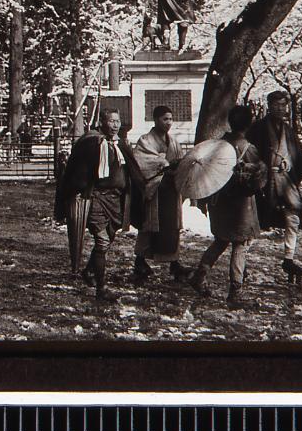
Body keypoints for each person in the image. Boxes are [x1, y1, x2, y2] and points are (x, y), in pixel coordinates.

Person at [57, 108, 145, 302]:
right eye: (111, 121)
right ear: (102, 122)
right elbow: (78, 171)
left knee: (110, 236)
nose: (115, 124)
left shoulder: (120, 144)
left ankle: (89, 271)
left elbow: (132, 170)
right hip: (96, 198)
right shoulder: (91, 142)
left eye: (118, 121)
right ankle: (101, 287)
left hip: (116, 200)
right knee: (102, 240)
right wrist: (78, 191)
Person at [188, 105, 267, 306]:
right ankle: (235, 291)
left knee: (221, 240)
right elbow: (259, 181)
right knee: (240, 245)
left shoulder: (217, 145)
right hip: (241, 206)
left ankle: (199, 275)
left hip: (219, 203)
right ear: (249, 124)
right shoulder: (249, 149)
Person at [245, 90, 302, 281]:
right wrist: (263, 166)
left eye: (283, 105)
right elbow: (249, 152)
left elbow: (298, 154)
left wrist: (293, 165)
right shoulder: (258, 128)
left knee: (293, 219)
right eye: (276, 105)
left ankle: (288, 258)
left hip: (286, 181)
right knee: (254, 222)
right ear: (269, 106)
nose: (280, 108)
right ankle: (240, 261)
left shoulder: (289, 130)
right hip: (264, 182)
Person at [131, 105, 191, 283]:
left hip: (170, 189)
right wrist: (165, 163)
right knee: (150, 226)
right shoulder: (145, 140)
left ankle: (174, 262)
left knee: (172, 227)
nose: (169, 123)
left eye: (171, 119)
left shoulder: (173, 141)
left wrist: (179, 165)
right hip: (155, 189)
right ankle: (140, 261)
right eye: (165, 119)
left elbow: (180, 163)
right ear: (155, 120)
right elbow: (142, 160)